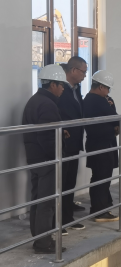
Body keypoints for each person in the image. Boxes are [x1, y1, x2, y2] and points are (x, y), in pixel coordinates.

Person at [22, 65, 70, 253]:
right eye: (61, 85)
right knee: (47, 202)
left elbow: (41, 131)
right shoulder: (48, 104)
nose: (63, 88)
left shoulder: (34, 100)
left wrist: (60, 133)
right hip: (47, 160)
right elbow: (47, 137)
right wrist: (57, 156)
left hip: (35, 158)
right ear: (52, 84)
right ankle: (43, 243)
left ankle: (39, 238)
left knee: (37, 199)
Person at [83, 70, 119, 222]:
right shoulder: (96, 100)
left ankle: (102, 207)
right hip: (101, 144)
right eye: (107, 88)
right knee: (101, 177)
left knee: (100, 177)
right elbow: (115, 119)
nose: (108, 92)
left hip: (98, 143)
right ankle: (99, 211)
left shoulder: (91, 100)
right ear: (101, 87)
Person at [57, 57, 88, 232]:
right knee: (60, 183)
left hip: (74, 142)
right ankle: (58, 221)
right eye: (83, 71)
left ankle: (67, 218)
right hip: (62, 143)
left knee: (70, 182)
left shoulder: (77, 88)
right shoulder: (59, 89)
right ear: (74, 70)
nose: (85, 75)